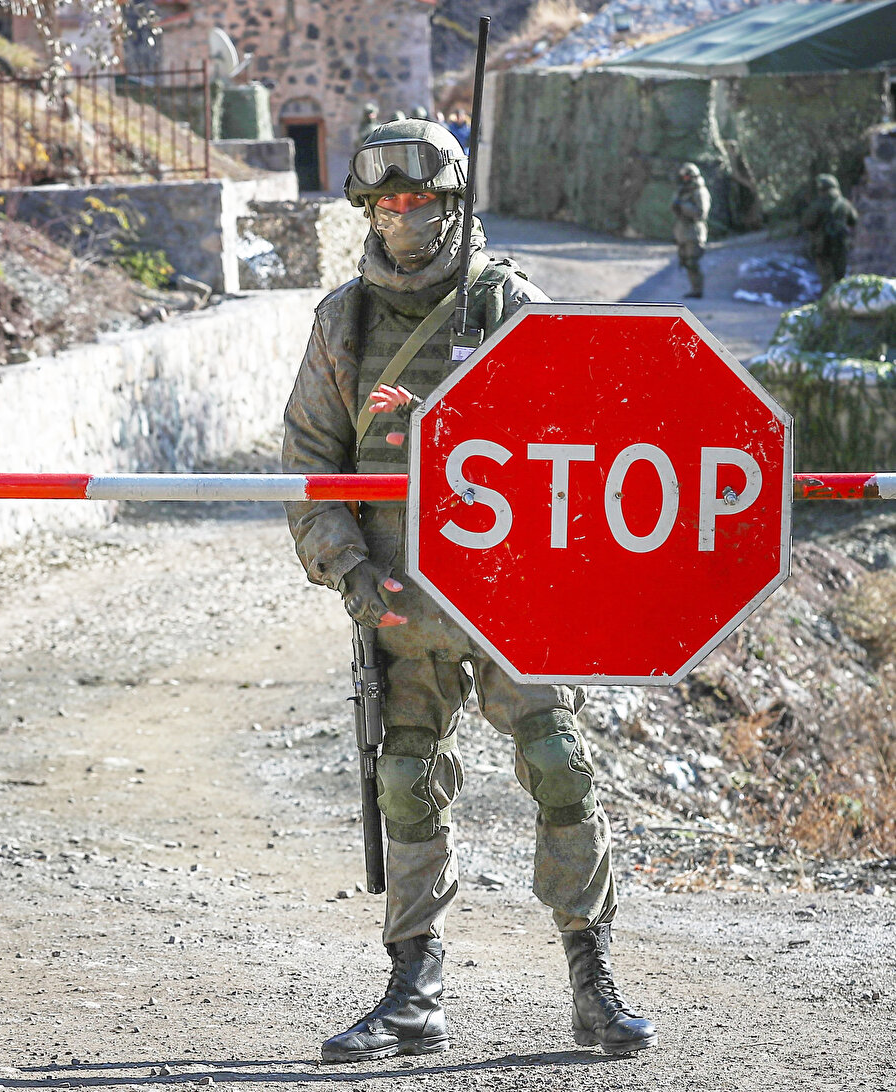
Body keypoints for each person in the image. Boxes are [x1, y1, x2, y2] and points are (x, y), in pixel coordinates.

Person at [282, 118, 657, 1064]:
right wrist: (354, 574)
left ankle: (592, 982)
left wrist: (458, 413)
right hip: (401, 604)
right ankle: (414, 993)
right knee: (403, 782)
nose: (404, 217)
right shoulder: (344, 322)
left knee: (561, 767)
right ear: (370, 210)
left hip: (514, 601)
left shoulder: (513, 304)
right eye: (387, 202)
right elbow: (309, 470)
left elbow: (587, 445)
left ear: (454, 205)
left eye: (421, 200)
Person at [801, 172, 858, 293]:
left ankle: (828, 307)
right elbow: (854, 220)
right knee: (840, 278)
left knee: (827, 280)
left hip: (823, 246)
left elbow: (807, 223)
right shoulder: (844, 203)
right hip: (841, 245)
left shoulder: (818, 205)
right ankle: (840, 306)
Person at [671, 162, 711, 299]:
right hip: (683, 231)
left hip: (695, 231)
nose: (685, 179)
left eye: (687, 176)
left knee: (693, 262)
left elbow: (701, 213)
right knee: (686, 261)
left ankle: (698, 290)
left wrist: (683, 206)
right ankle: (694, 289)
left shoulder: (700, 192)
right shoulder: (683, 191)